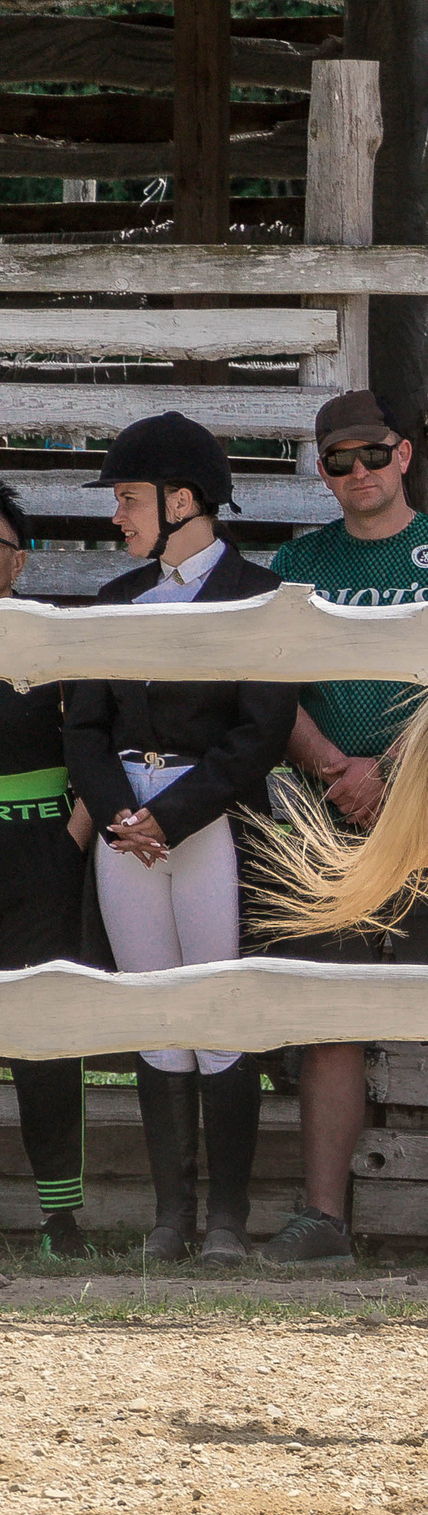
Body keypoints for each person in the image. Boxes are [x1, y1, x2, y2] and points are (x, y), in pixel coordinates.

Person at [260, 390, 428, 1270]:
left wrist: (391, 772)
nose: (359, 470)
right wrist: (338, 767)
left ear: (404, 455)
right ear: (323, 470)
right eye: (340, 459)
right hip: (326, 813)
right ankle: (322, 1218)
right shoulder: (298, 560)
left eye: (374, 453)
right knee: (330, 1017)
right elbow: (271, 682)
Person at [62, 414, 296, 1265]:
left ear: (183, 500)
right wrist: (120, 812)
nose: (116, 515)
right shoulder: (114, 599)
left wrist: (176, 814)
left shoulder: (260, 593)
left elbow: (261, 730)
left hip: (212, 824)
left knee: (218, 1015)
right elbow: (85, 727)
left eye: (129, 498)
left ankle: (226, 1217)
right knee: (156, 1015)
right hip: (126, 830)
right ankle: (171, 1217)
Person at [0, 480, 97, 1258]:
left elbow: (94, 743)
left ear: (20, 559)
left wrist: (70, 839)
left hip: (42, 855)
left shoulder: (55, 643)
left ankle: (61, 1221)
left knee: (46, 1032)